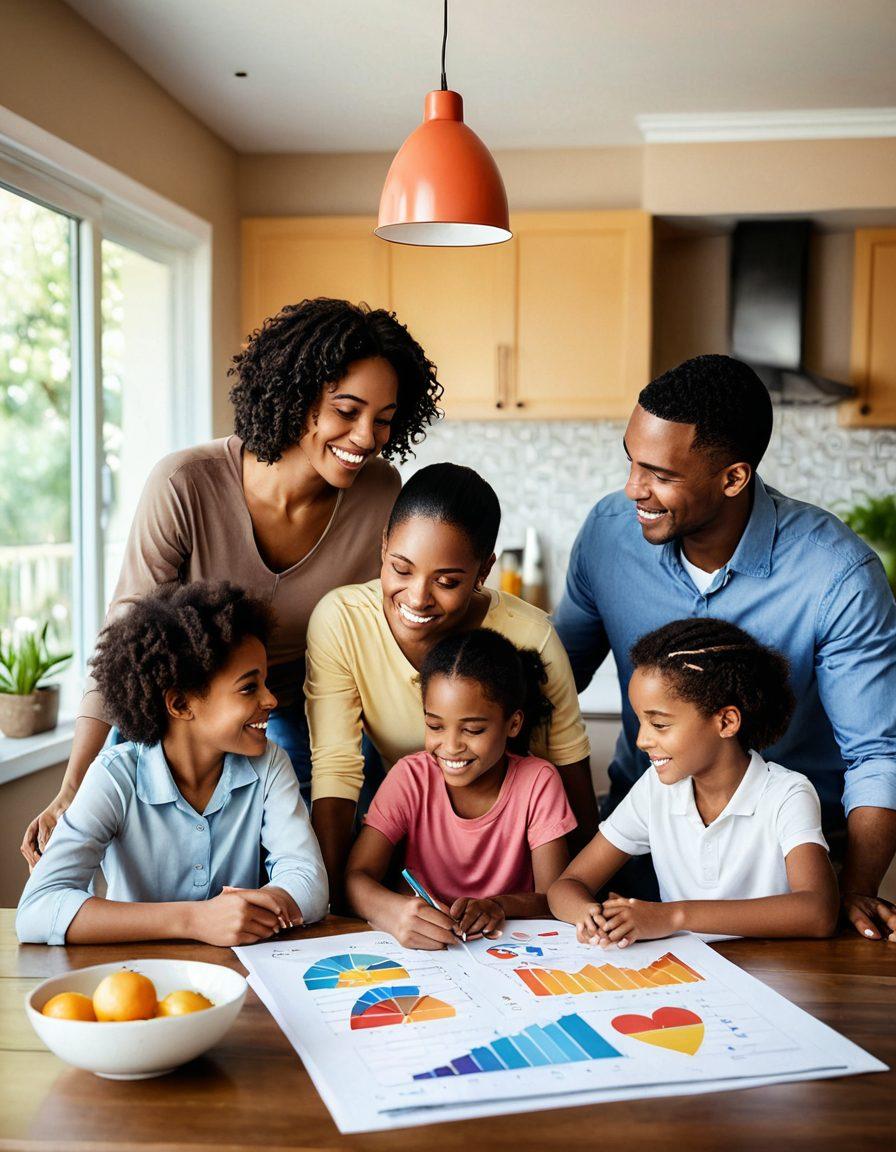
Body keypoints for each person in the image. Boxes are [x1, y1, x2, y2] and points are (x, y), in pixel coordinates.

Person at [22, 298, 441, 862]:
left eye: (384, 419)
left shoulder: (379, 493)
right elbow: (123, 641)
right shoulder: (184, 484)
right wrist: (71, 788)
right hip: (186, 710)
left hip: (301, 710)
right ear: (297, 399)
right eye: (347, 410)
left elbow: (383, 631)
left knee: (317, 867)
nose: (367, 437)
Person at [553, 354, 896, 941]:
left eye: (659, 473)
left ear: (733, 478)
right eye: (630, 461)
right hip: (644, 850)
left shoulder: (837, 576)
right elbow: (551, 685)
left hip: (790, 870)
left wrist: (856, 889)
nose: (633, 488)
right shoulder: (608, 535)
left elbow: (875, 759)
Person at [307, 463, 596, 907]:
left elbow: (569, 771)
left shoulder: (532, 637)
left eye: (446, 582)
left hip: (519, 864)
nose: (418, 597)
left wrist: (578, 898)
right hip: (416, 845)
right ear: (383, 545)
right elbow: (336, 771)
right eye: (400, 569)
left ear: (483, 571)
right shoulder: (343, 621)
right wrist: (331, 904)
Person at [16, 582, 328, 946]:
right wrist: (194, 920)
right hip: (130, 980)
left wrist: (253, 910)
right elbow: (37, 909)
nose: (271, 699)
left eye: (266, 683)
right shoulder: (114, 777)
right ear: (180, 705)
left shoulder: (269, 764)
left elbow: (308, 880)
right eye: (248, 688)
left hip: (234, 976)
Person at [549, 618, 839, 944]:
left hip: (774, 978)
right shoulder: (655, 789)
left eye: (659, 724)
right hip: (688, 978)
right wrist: (589, 914)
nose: (642, 740)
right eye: (640, 722)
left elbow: (818, 911)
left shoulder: (787, 795)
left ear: (726, 721)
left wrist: (673, 915)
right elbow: (567, 885)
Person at [346, 628, 576, 948]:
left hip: (510, 951)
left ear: (513, 724)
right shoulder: (411, 777)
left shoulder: (538, 782)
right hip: (424, 953)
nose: (451, 746)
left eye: (472, 729)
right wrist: (395, 912)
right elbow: (356, 877)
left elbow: (557, 898)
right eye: (435, 726)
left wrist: (499, 906)